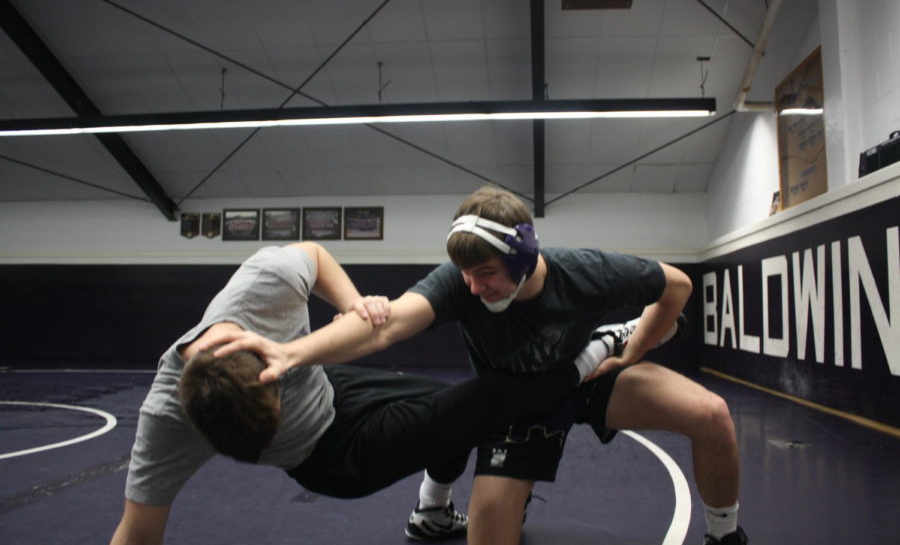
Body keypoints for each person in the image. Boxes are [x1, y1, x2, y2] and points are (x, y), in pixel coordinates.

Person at [214, 186, 747, 545]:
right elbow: (389, 325)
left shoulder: (587, 273)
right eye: (464, 273)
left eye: (486, 273)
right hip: (513, 405)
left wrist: (632, 353)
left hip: (587, 381)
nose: (472, 286)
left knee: (712, 415)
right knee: (487, 529)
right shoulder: (458, 282)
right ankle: (434, 511)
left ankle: (725, 535)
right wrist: (293, 351)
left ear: (522, 258)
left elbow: (676, 286)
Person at [110, 240, 622, 544]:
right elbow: (136, 531)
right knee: (484, 402)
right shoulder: (167, 421)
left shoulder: (262, 287)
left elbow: (312, 253)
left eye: (277, 399)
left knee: (450, 415)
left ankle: (432, 514)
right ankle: (592, 354)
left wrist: (357, 304)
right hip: (331, 457)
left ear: (258, 353)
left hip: (334, 386)